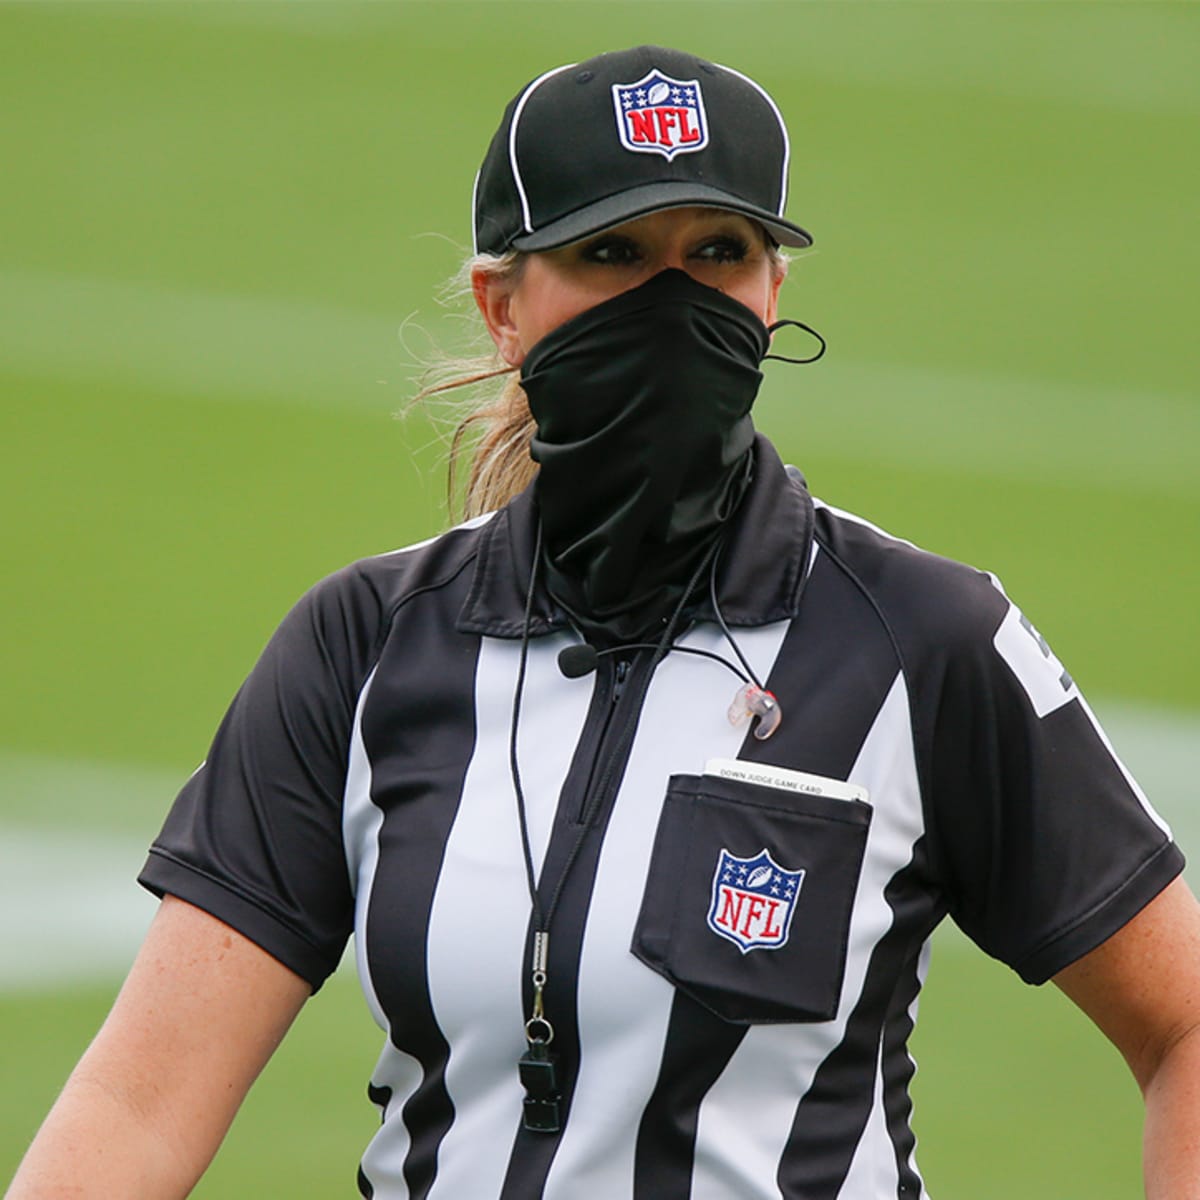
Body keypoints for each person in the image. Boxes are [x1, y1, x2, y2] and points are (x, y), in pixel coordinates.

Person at [8, 44, 1200, 1200]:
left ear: (774, 288)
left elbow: (1183, 1025)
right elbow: (136, 1113)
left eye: (718, 252)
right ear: (503, 304)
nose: (671, 301)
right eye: (615, 253)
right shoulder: (365, 647)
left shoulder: (920, 639)